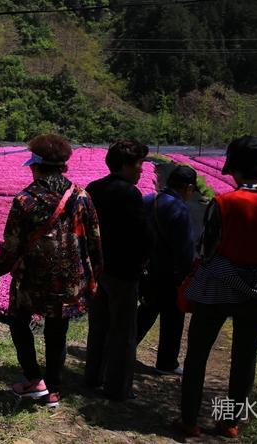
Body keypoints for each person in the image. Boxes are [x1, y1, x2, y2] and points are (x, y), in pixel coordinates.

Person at [0, 134, 103, 408]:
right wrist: (95, 275)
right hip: (69, 281)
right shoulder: (82, 196)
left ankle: (34, 379)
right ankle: (54, 391)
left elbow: (12, 245)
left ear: (35, 165)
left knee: (19, 321)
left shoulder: (26, 200)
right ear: (62, 166)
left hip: (30, 280)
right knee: (57, 331)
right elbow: (95, 240)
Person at [175, 136, 257, 439]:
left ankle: (190, 420)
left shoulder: (224, 203)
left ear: (235, 169)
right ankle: (230, 422)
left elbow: (206, 250)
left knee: (197, 355)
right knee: (245, 359)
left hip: (217, 291)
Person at [84, 139, 151, 401]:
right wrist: (144, 262)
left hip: (97, 269)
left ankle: (92, 377)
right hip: (123, 271)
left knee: (98, 324)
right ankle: (118, 388)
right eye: (138, 164)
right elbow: (141, 234)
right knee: (123, 331)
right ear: (124, 165)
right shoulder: (130, 194)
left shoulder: (93, 188)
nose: (141, 170)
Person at [136, 165, 197, 376]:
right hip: (170, 275)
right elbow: (185, 249)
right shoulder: (179, 209)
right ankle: (166, 363)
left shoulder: (148, 200)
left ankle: (121, 351)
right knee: (173, 319)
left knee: (145, 312)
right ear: (188, 187)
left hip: (147, 271)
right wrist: (187, 276)